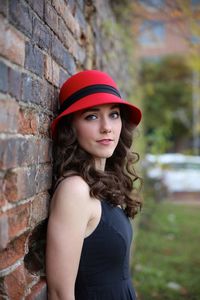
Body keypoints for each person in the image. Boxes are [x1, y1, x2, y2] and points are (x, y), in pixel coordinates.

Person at [46, 70, 142, 300]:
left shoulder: (104, 182)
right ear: (72, 127)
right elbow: (60, 294)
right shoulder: (75, 190)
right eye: (91, 116)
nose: (107, 127)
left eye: (114, 115)